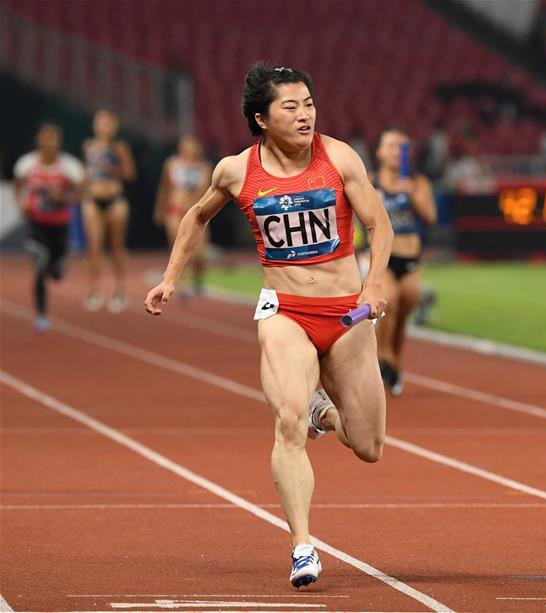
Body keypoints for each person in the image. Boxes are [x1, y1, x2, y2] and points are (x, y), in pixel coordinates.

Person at [144, 63, 392, 588]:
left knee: (369, 445)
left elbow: (378, 222)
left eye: (309, 103)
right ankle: (303, 546)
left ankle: (324, 414)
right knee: (287, 421)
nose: (305, 115)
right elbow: (195, 216)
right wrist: (171, 277)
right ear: (261, 118)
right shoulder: (235, 171)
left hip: (348, 313)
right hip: (285, 312)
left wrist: (372, 286)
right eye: (291, 107)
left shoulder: (339, 156)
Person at [372, 127, 437, 395]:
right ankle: (381, 358)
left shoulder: (418, 182)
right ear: (379, 151)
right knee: (390, 302)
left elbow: (430, 217)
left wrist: (412, 194)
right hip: (383, 258)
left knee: (402, 316)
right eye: (390, 145)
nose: (396, 151)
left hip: (411, 258)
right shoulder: (370, 182)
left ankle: (394, 362)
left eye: (402, 146)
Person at [13, 123, 85, 331]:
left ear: (59, 141)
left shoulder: (69, 167)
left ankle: (60, 265)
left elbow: (80, 193)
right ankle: (41, 314)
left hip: (60, 226)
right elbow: (18, 187)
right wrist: (21, 203)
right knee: (39, 264)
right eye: (46, 137)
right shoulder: (27, 164)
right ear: (39, 140)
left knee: (55, 273)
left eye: (54, 138)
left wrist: (63, 197)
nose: (50, 142)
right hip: (37, 224)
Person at [82, 109, 136, 313]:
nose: (103, 126)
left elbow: (130, 173)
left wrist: (111, 168)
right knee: (94, 247)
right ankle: (94, 290)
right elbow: (87, 173)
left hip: (115, 200)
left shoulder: (119, 147)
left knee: (116, 247)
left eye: (107, 122)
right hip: (92, 200)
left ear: (114, 127)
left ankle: (120, 291)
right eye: (99, 122)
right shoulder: (88, 146)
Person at [154, 135, 213, 295]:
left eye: (192, 146)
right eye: (186, 146)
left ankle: (197, 280)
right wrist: (159, 209)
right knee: (179, 248)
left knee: (200, 254)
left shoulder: (204, 166)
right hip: (175, 210)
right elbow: (164, 188)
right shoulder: (172, 164)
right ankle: (179, 284)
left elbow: (207, 190)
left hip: (196, 213)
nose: (189, 149)